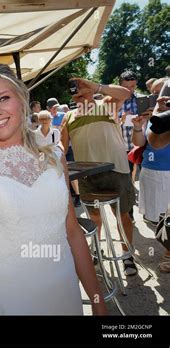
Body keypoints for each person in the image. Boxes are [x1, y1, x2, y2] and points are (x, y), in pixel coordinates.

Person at [0, 64, 107, 315]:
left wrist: (97, 300)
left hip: (63, 287)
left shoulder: (55, 154)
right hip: (11, 296)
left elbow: (73, 232)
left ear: (22, 100)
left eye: (4, 98)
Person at [61, 77, 138, 276]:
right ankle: (96, 250)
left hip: (117, 170)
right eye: (76, 91)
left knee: (122, 217)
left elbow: (126, 93)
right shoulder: (69, 116)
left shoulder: (106, 105)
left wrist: (96, 87)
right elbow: (61, 148)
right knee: (94, 219)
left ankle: (127, 255)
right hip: (87, 176)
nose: (79, 93)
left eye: (83, 89)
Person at [131, 78, 170, 273]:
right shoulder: (155, 116)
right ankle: (169, 251)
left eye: (160, 94)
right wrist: (139, 126)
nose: (157, 98)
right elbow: (141, 143)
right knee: (161, 219)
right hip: (152, 173)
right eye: (154, 94)